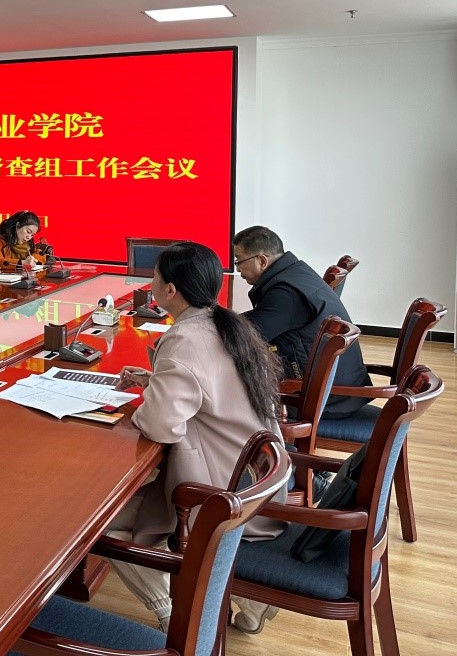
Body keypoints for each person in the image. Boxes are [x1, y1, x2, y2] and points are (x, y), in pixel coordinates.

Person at [110, 241, 284, 632]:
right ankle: (249, 600)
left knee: (102, 522)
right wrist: (156, 381)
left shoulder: (185, 338)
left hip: (215, 490)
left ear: (170, 290)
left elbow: (159, 425)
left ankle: (176, 615)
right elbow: (213, 389)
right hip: (249, 477)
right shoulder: (227, 322)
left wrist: (152, 397)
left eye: (155, 277)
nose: (151, 283)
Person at [232, 226, 371, 419]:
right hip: (337, 389)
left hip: (321, 399)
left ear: (262, 261)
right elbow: (259, 320)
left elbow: (245, 336)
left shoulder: (285, 292)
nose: (237, 268)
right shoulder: (295, 273)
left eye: (239, 261)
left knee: (227, 391)